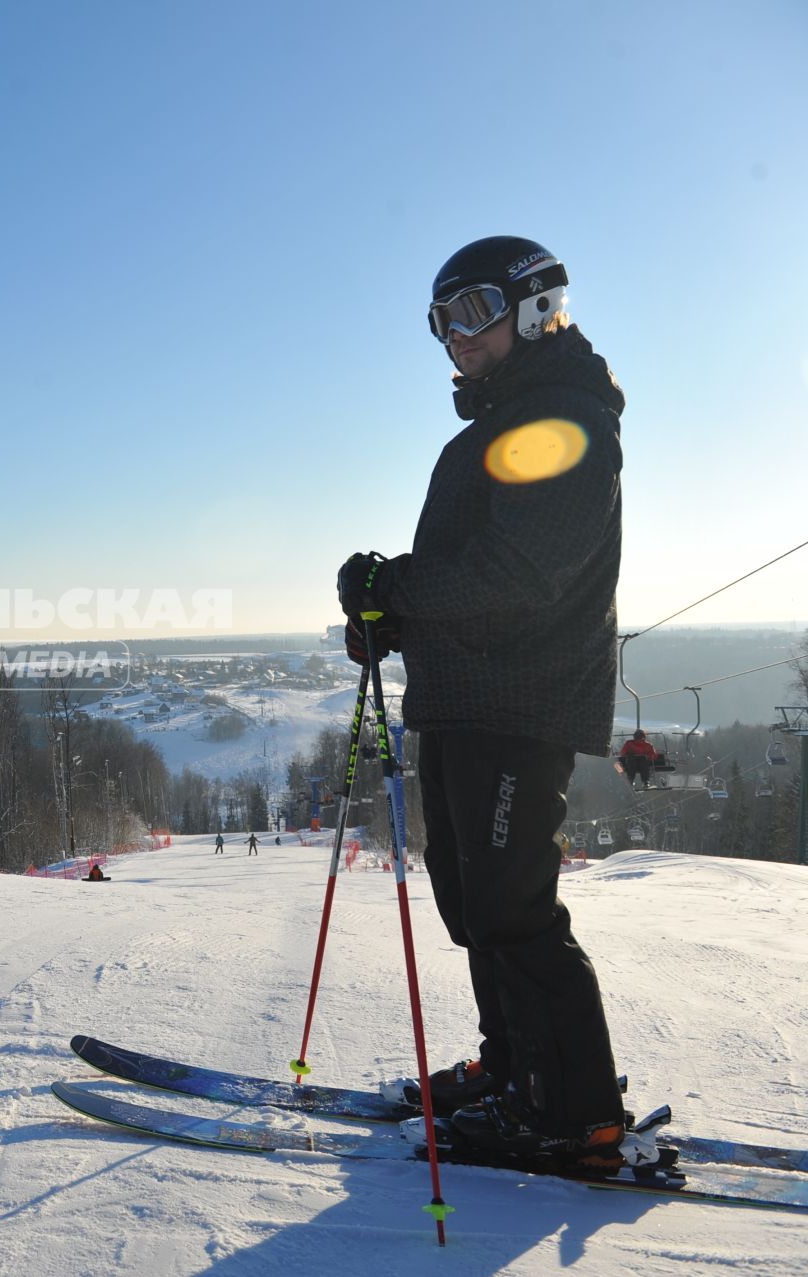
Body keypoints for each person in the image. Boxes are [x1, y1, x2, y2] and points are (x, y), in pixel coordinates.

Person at [337, 237, 649, 1165]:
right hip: (468, 697)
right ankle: (518, 1067)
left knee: (513, 908)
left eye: (472, 311)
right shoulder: (490, 432)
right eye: (441, 321)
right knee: (472, 902)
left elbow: (522, 572)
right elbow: (470, 574)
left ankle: (576, 1112)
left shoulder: (561, 417)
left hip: (522, 701)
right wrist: (387, 614)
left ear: (537, 304)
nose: (454, 337)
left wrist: (402, 585)